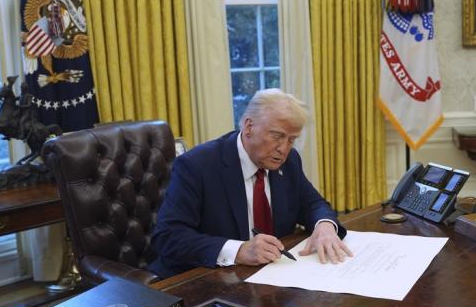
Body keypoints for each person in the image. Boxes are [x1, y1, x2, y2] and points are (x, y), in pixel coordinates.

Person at [148, 89, 353, 278]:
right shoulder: (197, 165)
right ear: (248, 127)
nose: (284, 149)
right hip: (205, 280)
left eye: (291, 140)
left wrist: (325, 226)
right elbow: (168, 237)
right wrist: (238, 250)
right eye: (277, 136)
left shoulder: (289, 161)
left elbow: (313, 204)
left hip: (272, 277)